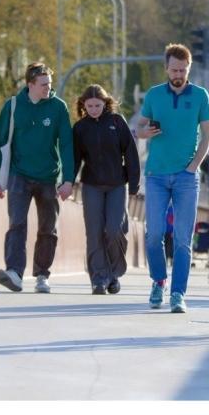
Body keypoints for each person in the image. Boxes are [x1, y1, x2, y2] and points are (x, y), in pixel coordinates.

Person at [137, 43, 209, 313]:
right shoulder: (154, 95)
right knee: (154, 234)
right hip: (156, 173)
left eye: (182, 69)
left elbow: (207, 136)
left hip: (186, 176)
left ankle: (178, 294)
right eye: (173, 69)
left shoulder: (201, 95)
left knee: (182, 238)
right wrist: (144, 133)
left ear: (188, 68)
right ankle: (159, 281)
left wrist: (194, 166)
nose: (178, 73)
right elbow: (139, 126)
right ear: (166, 68)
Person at [0, 62, 74, 294]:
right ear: (30, 85)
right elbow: (0, 142)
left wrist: (68, 179)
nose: (49, 87)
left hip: (48, 176)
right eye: (44, 84)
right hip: (19, 175)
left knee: (48, 227)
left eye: (49, 83)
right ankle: (15, 272)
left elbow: (67, 144)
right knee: (17, 223)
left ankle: (42, 275)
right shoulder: (14, 106)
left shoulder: (58, 107)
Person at [73, 84, 140, 295]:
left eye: (98, 105)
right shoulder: (80, 128)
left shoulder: (116, 122)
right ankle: (99, 279)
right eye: (90, 106)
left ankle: (114, 274)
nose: (94, 109)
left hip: (117, 185)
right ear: (84, 106)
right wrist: (67, 181)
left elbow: (130, 153)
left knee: (114, 229)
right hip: (91, 185)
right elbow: (74, 159)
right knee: (94, 233)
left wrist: (134, 183)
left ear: (105, 103)